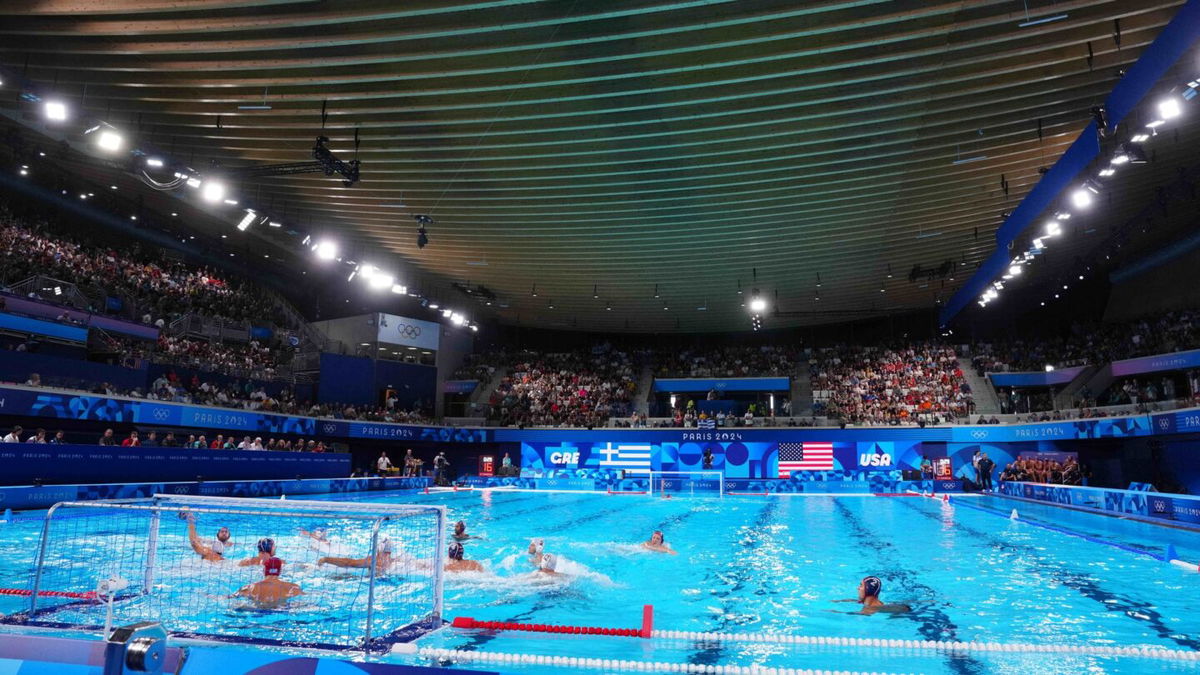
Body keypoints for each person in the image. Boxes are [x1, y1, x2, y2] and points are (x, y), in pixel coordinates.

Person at [232, 557, 303, 609]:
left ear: (264, 570)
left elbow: (230, 597)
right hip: (280, 610)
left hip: (256, 611)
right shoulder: (292, 587)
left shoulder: (249, 587)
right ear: (280, 571)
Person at [832, 576, 910, 615]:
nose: (858, 588)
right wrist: (840, 601)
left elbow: (860, 614)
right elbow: (857, 601)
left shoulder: (872, 608)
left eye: (861, 585)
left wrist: (838, 612)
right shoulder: (868, 603)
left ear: (868, 590)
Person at [317, 537, 395, 572]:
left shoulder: (374, 560)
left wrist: (326, 559)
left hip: (370, 583)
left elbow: (350, 563)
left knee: (337, 577)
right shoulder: (393, 561)